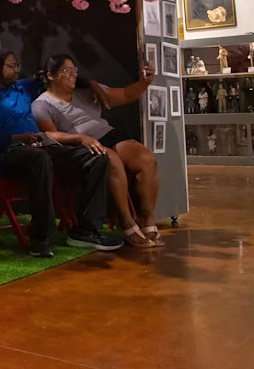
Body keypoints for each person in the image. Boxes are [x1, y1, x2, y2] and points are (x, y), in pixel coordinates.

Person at [0, 48, 122, 258]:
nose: (18, 70)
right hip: (8, 154)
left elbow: (60, 77)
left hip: (41, 148)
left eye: (18, 65)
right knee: (40, 158)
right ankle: (40, 236)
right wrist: (18, 138)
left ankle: (85, 230)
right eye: (12, 65)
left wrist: (91, 83)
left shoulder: (23, 88)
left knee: (96, 156)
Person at [32, 55, 162, 248]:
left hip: (107, 134)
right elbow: (50, 134)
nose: (73, 74)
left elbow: (125, 94)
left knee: (146, 158)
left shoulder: (87, 91)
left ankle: (146, 218)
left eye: (74, 69)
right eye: (66, 70)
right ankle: (126, 221)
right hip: (80, 144)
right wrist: (80, 139)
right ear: (51, 75)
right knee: (113, 161)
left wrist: (144, 83)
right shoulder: (42, 104)